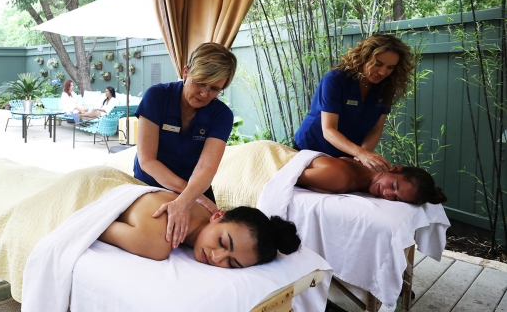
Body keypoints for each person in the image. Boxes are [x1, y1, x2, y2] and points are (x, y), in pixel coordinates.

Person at [133, 42, 237, 248]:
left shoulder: (221, 115)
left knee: (213, 241)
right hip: (152, 183)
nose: (204, 94)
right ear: (186, 71)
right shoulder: (157, 97)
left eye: (214, 89)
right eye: (200, 83)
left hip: (195, 187)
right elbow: (147, 161)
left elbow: (206, 167)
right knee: (158, 239)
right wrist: (192, 198)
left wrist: (188, 199)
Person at [294, 34, 416, 173]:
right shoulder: (335, 80)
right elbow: (328, 130)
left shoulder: (386, 87)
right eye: (378, 64)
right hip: (310, 148)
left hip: (347, 155)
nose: (382, 72)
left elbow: (376, 129)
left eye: (390, 67)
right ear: (363, 58)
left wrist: (360, 158)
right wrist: (362, 154)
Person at [98, 191, 300, 267]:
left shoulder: (202, 204)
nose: (216, 257)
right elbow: (97, 224)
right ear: (218, 215)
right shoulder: (157, 243)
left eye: (232, 263)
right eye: (222, 242)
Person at [297, 155, 447, 205]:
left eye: (396, 198)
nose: (386, 193)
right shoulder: (340, 178)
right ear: (395, 168)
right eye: (393, 185)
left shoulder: (363, 168)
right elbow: (284, 175)